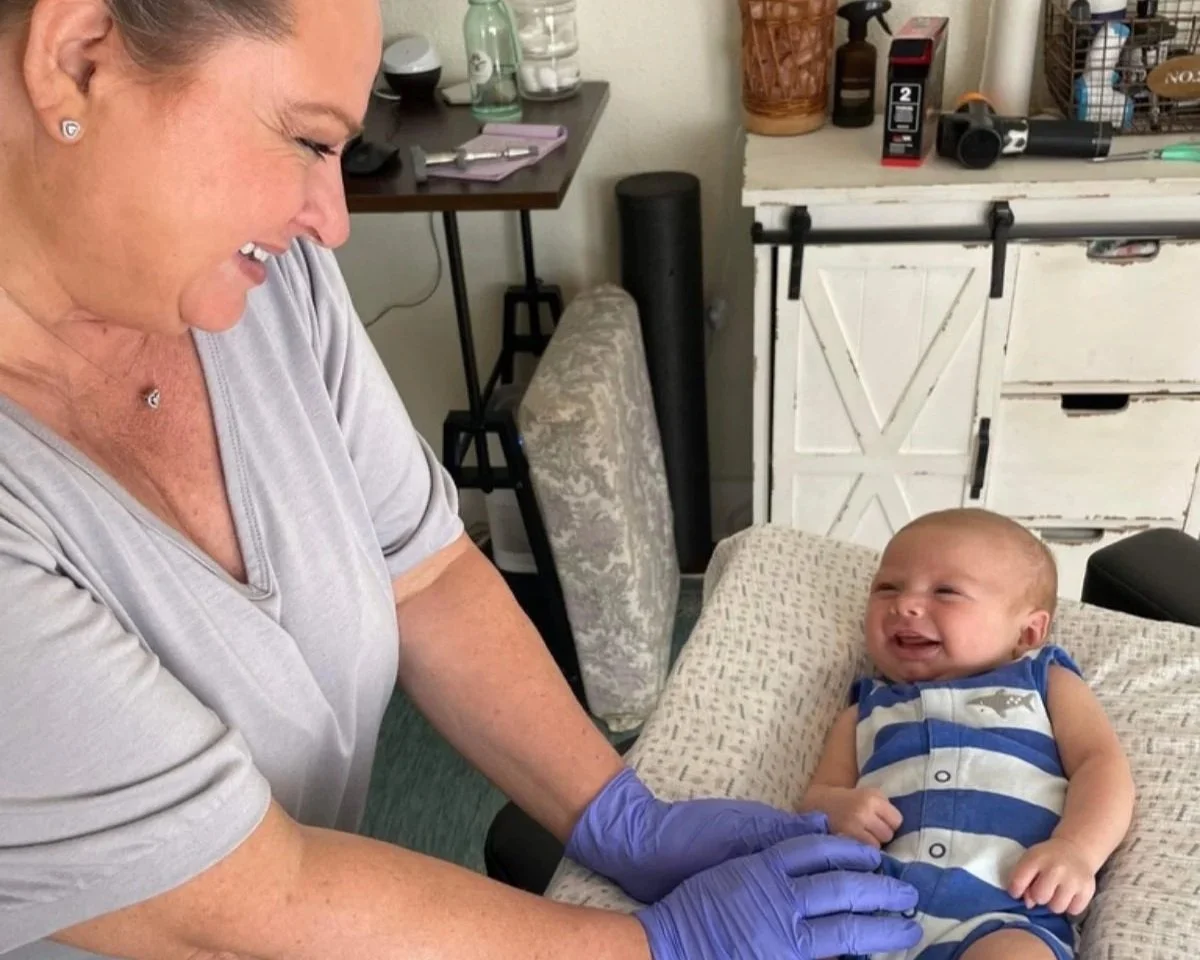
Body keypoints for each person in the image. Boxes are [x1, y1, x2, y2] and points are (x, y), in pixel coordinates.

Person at [0, 0, 927, 957]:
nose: (332, 223)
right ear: (79, 57)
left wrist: (617, 816)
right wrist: (657, 947)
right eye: (308, 140)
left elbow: (426, 576)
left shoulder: (264, 289)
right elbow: (247, 901)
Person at [800, 508, 1136, 960]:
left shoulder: (1042, 681)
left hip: (1005, 909)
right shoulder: (866, 709)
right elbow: (816, 797)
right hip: (866, 911)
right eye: (887, 588)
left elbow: (1102, 765)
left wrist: (1077, 849)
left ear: (1027, 631)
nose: (905, 605)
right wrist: (837, 809)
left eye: (946, 592)